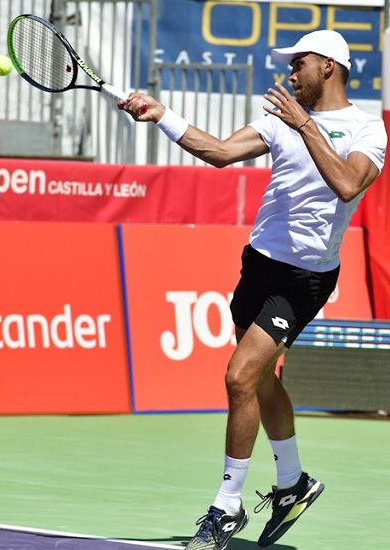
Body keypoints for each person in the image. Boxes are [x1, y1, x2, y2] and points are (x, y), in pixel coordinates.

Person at [117, 30, 385, 550]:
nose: (290, 74)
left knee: (239, 376)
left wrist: (305, 125)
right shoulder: (281, 119)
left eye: (299, 64)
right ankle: (293, 483)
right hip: (258, 264)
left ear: (328, 67)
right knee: (259, 381)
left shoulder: (366, 129)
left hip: (304, 277)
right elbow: (219, 151)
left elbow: (348, 185)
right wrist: (161, 115)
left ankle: (227, 507)